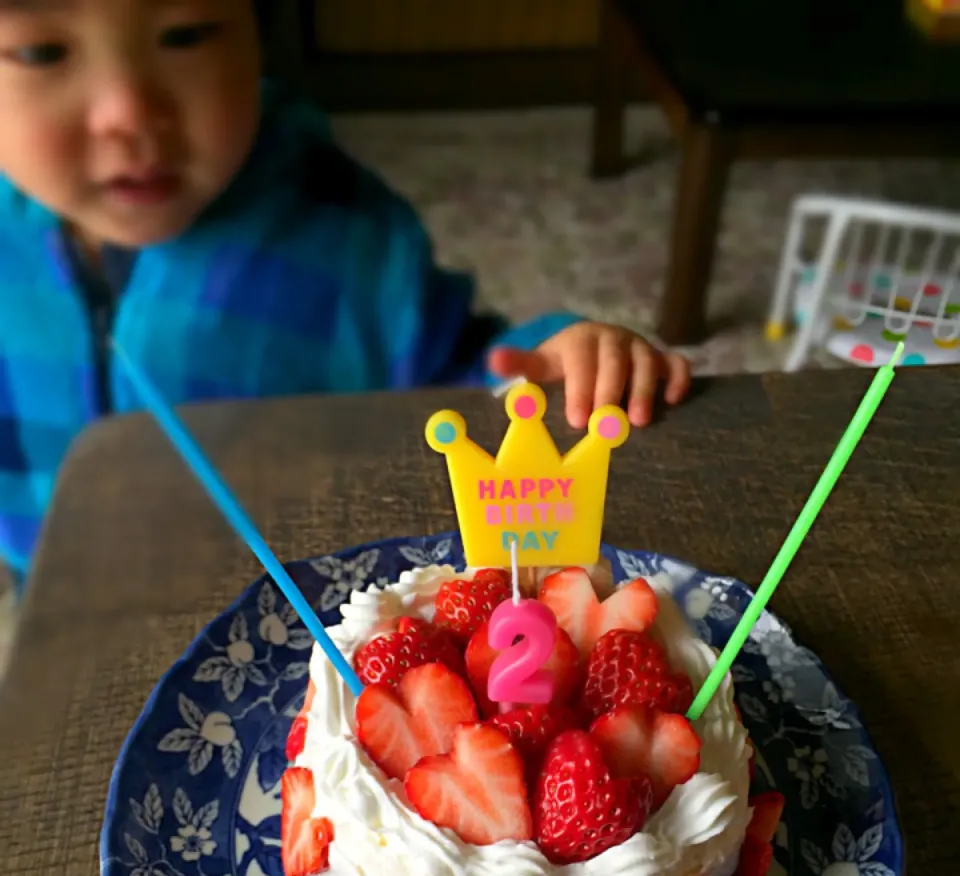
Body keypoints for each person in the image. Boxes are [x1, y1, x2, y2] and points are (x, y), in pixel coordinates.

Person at [0, 0, 691, 581]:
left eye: (185, 34)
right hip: (62, 593)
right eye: (39, 53)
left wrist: (559, 361)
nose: (129, 112)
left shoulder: (345, 231)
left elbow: (462, 386)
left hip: (286, 605)